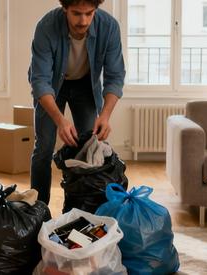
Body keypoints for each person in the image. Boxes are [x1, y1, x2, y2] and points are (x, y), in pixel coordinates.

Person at [28, 0, 125, 204]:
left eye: (89, 14)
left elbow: (115, 76)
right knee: (44, 147)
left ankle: (81, 208)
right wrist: (60, 120)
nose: (83, 21)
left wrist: (105, 116)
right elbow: (39, 80)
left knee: (89, 145)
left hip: (85, 86)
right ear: (65, 8)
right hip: (52, 87)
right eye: (76, 14)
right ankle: (38, 211)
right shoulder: (46, 27)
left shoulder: (109, 27)